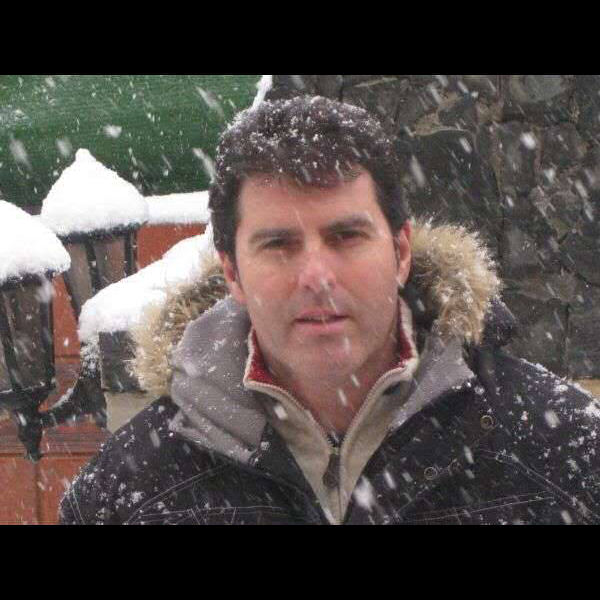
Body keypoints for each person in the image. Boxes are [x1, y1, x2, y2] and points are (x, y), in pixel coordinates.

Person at [60, 96, 600, 525]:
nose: (316, 276)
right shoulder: (128, 493)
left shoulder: (563, 452)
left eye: (346, 236)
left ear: (401, 252)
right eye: (278, 244)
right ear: (232, 273)